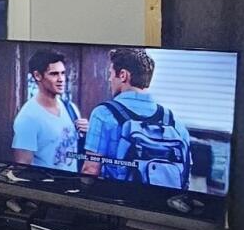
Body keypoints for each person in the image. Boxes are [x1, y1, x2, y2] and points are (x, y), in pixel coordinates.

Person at [81, 47, 192, 187]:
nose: (109, 79)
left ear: (123, 75)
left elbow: (90, 170)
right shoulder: (174, 121)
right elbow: (186, 175)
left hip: (117, 203)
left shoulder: (103, 113)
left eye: (110, 73)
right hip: (161, 205)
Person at [10, 49, 85, 172]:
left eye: (63, 73)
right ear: (38, 75)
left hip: (72, 185)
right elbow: (22, 168)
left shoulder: (70, 108)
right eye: (54, 74)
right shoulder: (28, 118)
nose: (61, 79)